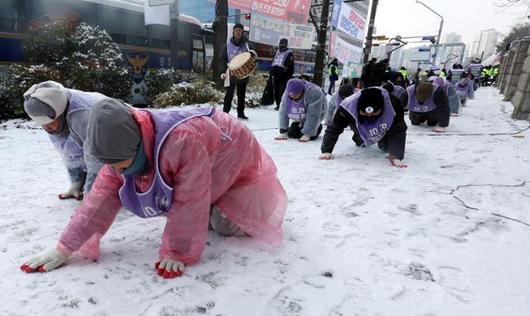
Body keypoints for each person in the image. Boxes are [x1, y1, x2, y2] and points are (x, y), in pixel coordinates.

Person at [20, 99, 287, 278]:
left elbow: (189, 199)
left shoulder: (181, 142)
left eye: (121, 167)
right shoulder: (120, 147)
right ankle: (216, 203)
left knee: (222, 224)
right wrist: (65, 246)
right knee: (197, 205)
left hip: (232, 154)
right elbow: (100, 198)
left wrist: (178, 250)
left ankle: (259, 205)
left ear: (134, 149)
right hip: (204, 152)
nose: (117, 172)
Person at [23, 80, 108, 199]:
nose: (46, 127)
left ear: (59, 113)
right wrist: (76, 183)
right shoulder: (51, 106)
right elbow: (68, 150)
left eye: (49, 122)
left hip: (125, 138)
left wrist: (92, 192)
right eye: (42, 124)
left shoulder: (83, 114)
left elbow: (96, 157)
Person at [319, 87, 408, 168]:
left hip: (383, 127)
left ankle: (383, 139)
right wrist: (326, 150)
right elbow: (334, 128)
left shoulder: (394, 105)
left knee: (386, 148)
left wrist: (396, 156)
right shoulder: (347, 107)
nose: (369, 116)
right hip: (360, 127)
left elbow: (398, 129)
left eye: (373, 114)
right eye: (365, 113)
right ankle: (359, 137)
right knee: (361, 142)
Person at [220, 23, 256, 120]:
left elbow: (253, 56)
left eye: (240, 31)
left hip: (242, 74)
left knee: (241, 95)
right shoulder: (227, 46)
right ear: (233, 32)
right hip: (230, 74)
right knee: (229, 95)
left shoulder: (248, 45)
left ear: (242, 32)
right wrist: (223, 71)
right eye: (236, 30)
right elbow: (223, 60)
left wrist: (253, 55)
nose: (238, 32)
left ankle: (240, 113)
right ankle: (225, 113)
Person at [270, 38, 294, 111]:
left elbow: (291, 65)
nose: (282, 46)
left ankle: (283, 105)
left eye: (284, 44)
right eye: (281, 44)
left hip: (284, 75)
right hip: (276, 74)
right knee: (276, 90)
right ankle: (278, 104)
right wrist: (271, 72)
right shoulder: (277, 52)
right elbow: (273, 62)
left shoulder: (289, 53)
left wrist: (288, 74)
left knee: (282, 91)